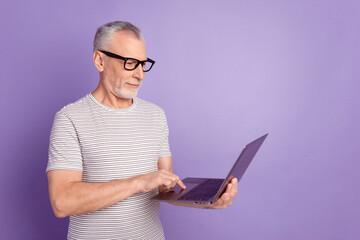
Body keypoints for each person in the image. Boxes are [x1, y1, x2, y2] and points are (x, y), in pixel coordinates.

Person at [46, 20, 238, 240]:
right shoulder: (70, 118)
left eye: (143, 64)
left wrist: (209, 201)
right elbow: (62, 202)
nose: (140, 75)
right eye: (130, 63)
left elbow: (165, 189)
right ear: (100, 60)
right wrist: (138, 182)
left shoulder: (156, 115)